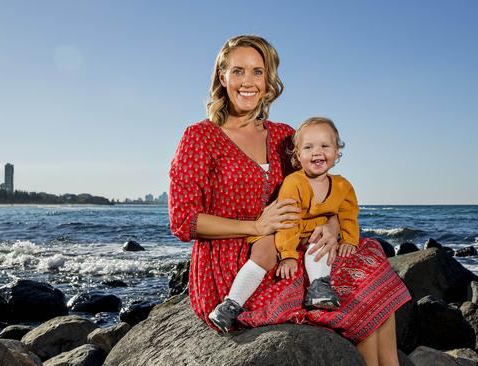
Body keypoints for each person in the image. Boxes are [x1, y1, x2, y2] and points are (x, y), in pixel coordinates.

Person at [169, 35, 411, 366]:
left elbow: (317, 188)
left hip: (288, 245)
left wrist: (332, 224)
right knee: (356, 290)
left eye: (258, 71)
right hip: (235, 265)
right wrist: (256, 225)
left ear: (269, 81)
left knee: (368, 256)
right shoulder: (200, 137)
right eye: (238, 71)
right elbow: (184, 221)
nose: (248, 82)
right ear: (222, 76)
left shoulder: (285, 135)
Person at [209, 117, 358, 331]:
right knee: (262, 255)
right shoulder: (294, 182)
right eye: (308, 147)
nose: (317, 152)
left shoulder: (343, 186)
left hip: (308, 232)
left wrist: (349, 239)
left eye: (325, 146)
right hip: (281, 227)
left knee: (322, 241)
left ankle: (319, 286)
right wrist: (288, 255)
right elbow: (287, 220)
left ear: (337, 152)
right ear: (298, 155)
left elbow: (348, 214)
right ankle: (230, 305)